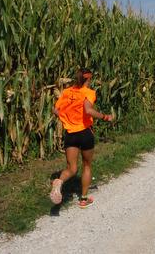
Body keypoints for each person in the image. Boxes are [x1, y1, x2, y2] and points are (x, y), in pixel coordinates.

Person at [50, 68, 114, 208]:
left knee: (71, 169)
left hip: (70, 134)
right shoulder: (88, 93)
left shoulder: (67, 92)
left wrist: (66, 118)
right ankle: (83, 199)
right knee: (86, 165)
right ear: (88, 79)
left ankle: (59, 182)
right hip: (85, 133)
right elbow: (88, 110)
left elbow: (56, 110)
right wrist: (105, 117)